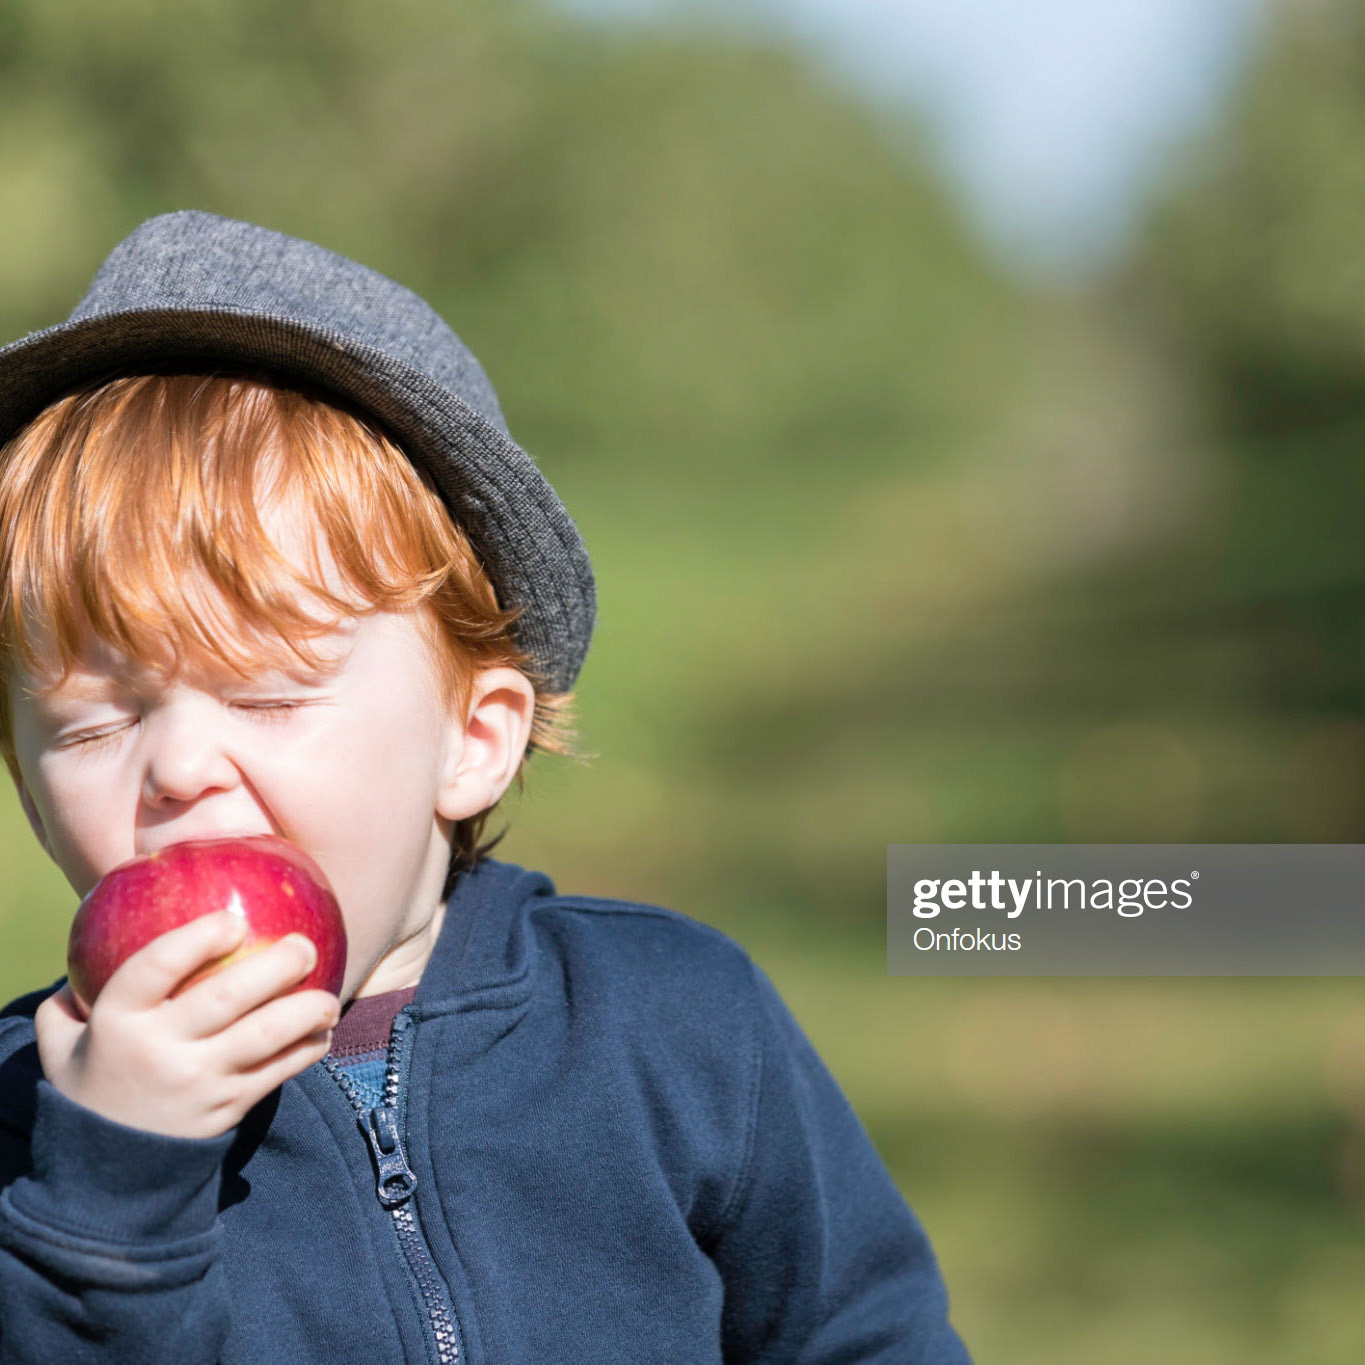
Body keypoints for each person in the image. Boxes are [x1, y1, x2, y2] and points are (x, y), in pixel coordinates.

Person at [0, 211, 972, 1362]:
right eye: (93, 720)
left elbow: (864, 1332)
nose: (177, 768)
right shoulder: (33, 1122)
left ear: (473, 739)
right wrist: (110, 1192)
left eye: (265, 696)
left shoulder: (674, 1023)